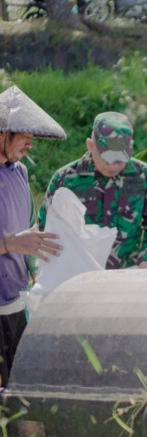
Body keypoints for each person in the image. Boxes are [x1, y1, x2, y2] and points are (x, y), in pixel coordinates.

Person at [39, 112, 147, 269]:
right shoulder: (65, 179)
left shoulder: (143, 175)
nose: (113, 165)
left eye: (119, 159)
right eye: (107, 158)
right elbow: (45, 229)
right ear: (90, 145)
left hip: (128, 277)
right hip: (78, 276)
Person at [0, 85, 66, 388]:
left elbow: (28, 226)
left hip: (15, 301)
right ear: (2, 133)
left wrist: (36, 265)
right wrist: (11, 244)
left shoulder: (20, 173)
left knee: (19, 390)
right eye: (24, 133)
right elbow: (16, 239)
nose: (30, 143)